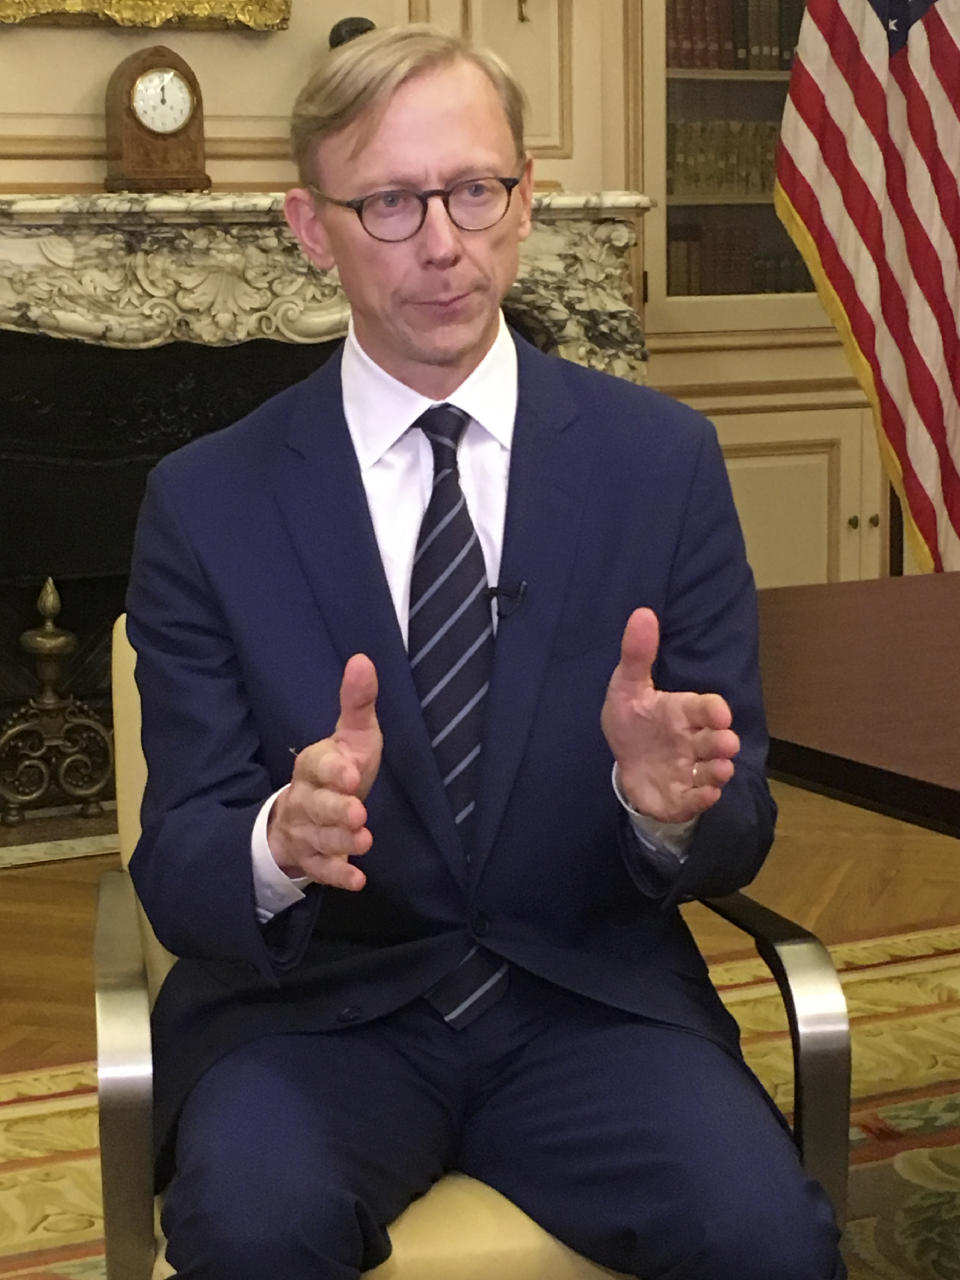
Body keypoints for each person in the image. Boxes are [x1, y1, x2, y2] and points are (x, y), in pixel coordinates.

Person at [125, 22, 846, 1280]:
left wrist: (663, 806)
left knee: (769, 1237)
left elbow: (737, 834)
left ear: (527, 200)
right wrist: (276, 845)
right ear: (310, 225)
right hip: (314, 1022)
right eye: (391, 202)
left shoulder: (661, 464)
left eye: (475, 190)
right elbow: (180, 864)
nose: (445, 243)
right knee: (249, 1228)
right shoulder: (206, 500)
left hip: (594, 1004)